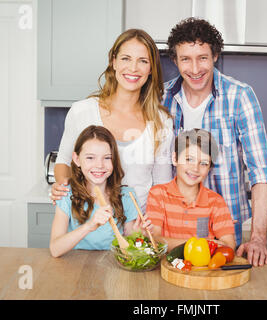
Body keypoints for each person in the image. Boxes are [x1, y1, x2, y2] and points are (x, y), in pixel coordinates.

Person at [162, 18, 267, 266]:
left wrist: (258, 237)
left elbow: (260, 172)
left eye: (202, 57)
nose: (194, 69)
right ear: (175, 60)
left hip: (223, 231)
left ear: (215, 55)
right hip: (173, 228)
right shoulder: (162, 98)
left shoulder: (239, 96)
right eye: (185, 59)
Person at [50, 29, 174, 211]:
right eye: (126, 58)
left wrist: (149, 227)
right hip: (89, 224)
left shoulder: (161, 121)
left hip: (137, 232)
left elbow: (162, 186)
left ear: (151, 69)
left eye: (143, 61)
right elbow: (63, 161)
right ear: (113, 62)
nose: (133, 68)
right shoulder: (82, 111)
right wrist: (62, 188)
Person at [49, 125, 151, 258]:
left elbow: (129, 243)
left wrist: (139, 235)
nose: (99, 165)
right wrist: (89, 226)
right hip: (75, 266)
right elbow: (55, 249)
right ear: (77, 159)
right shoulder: (67, 194)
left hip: (114, 266)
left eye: (107, 158)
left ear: (114, 160)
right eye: (90, 158)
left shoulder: (127, 195)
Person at [146, 129, 235, 251]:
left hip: (203, 269)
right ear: (175, 158)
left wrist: (174, 243)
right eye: (189, 159)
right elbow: (154, 239)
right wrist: (204, 243)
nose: (195, 168)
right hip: (166, 268)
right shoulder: (158, 194)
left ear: (209, 168)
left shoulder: (216, 202)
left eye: (203, 163)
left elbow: (229, 245)